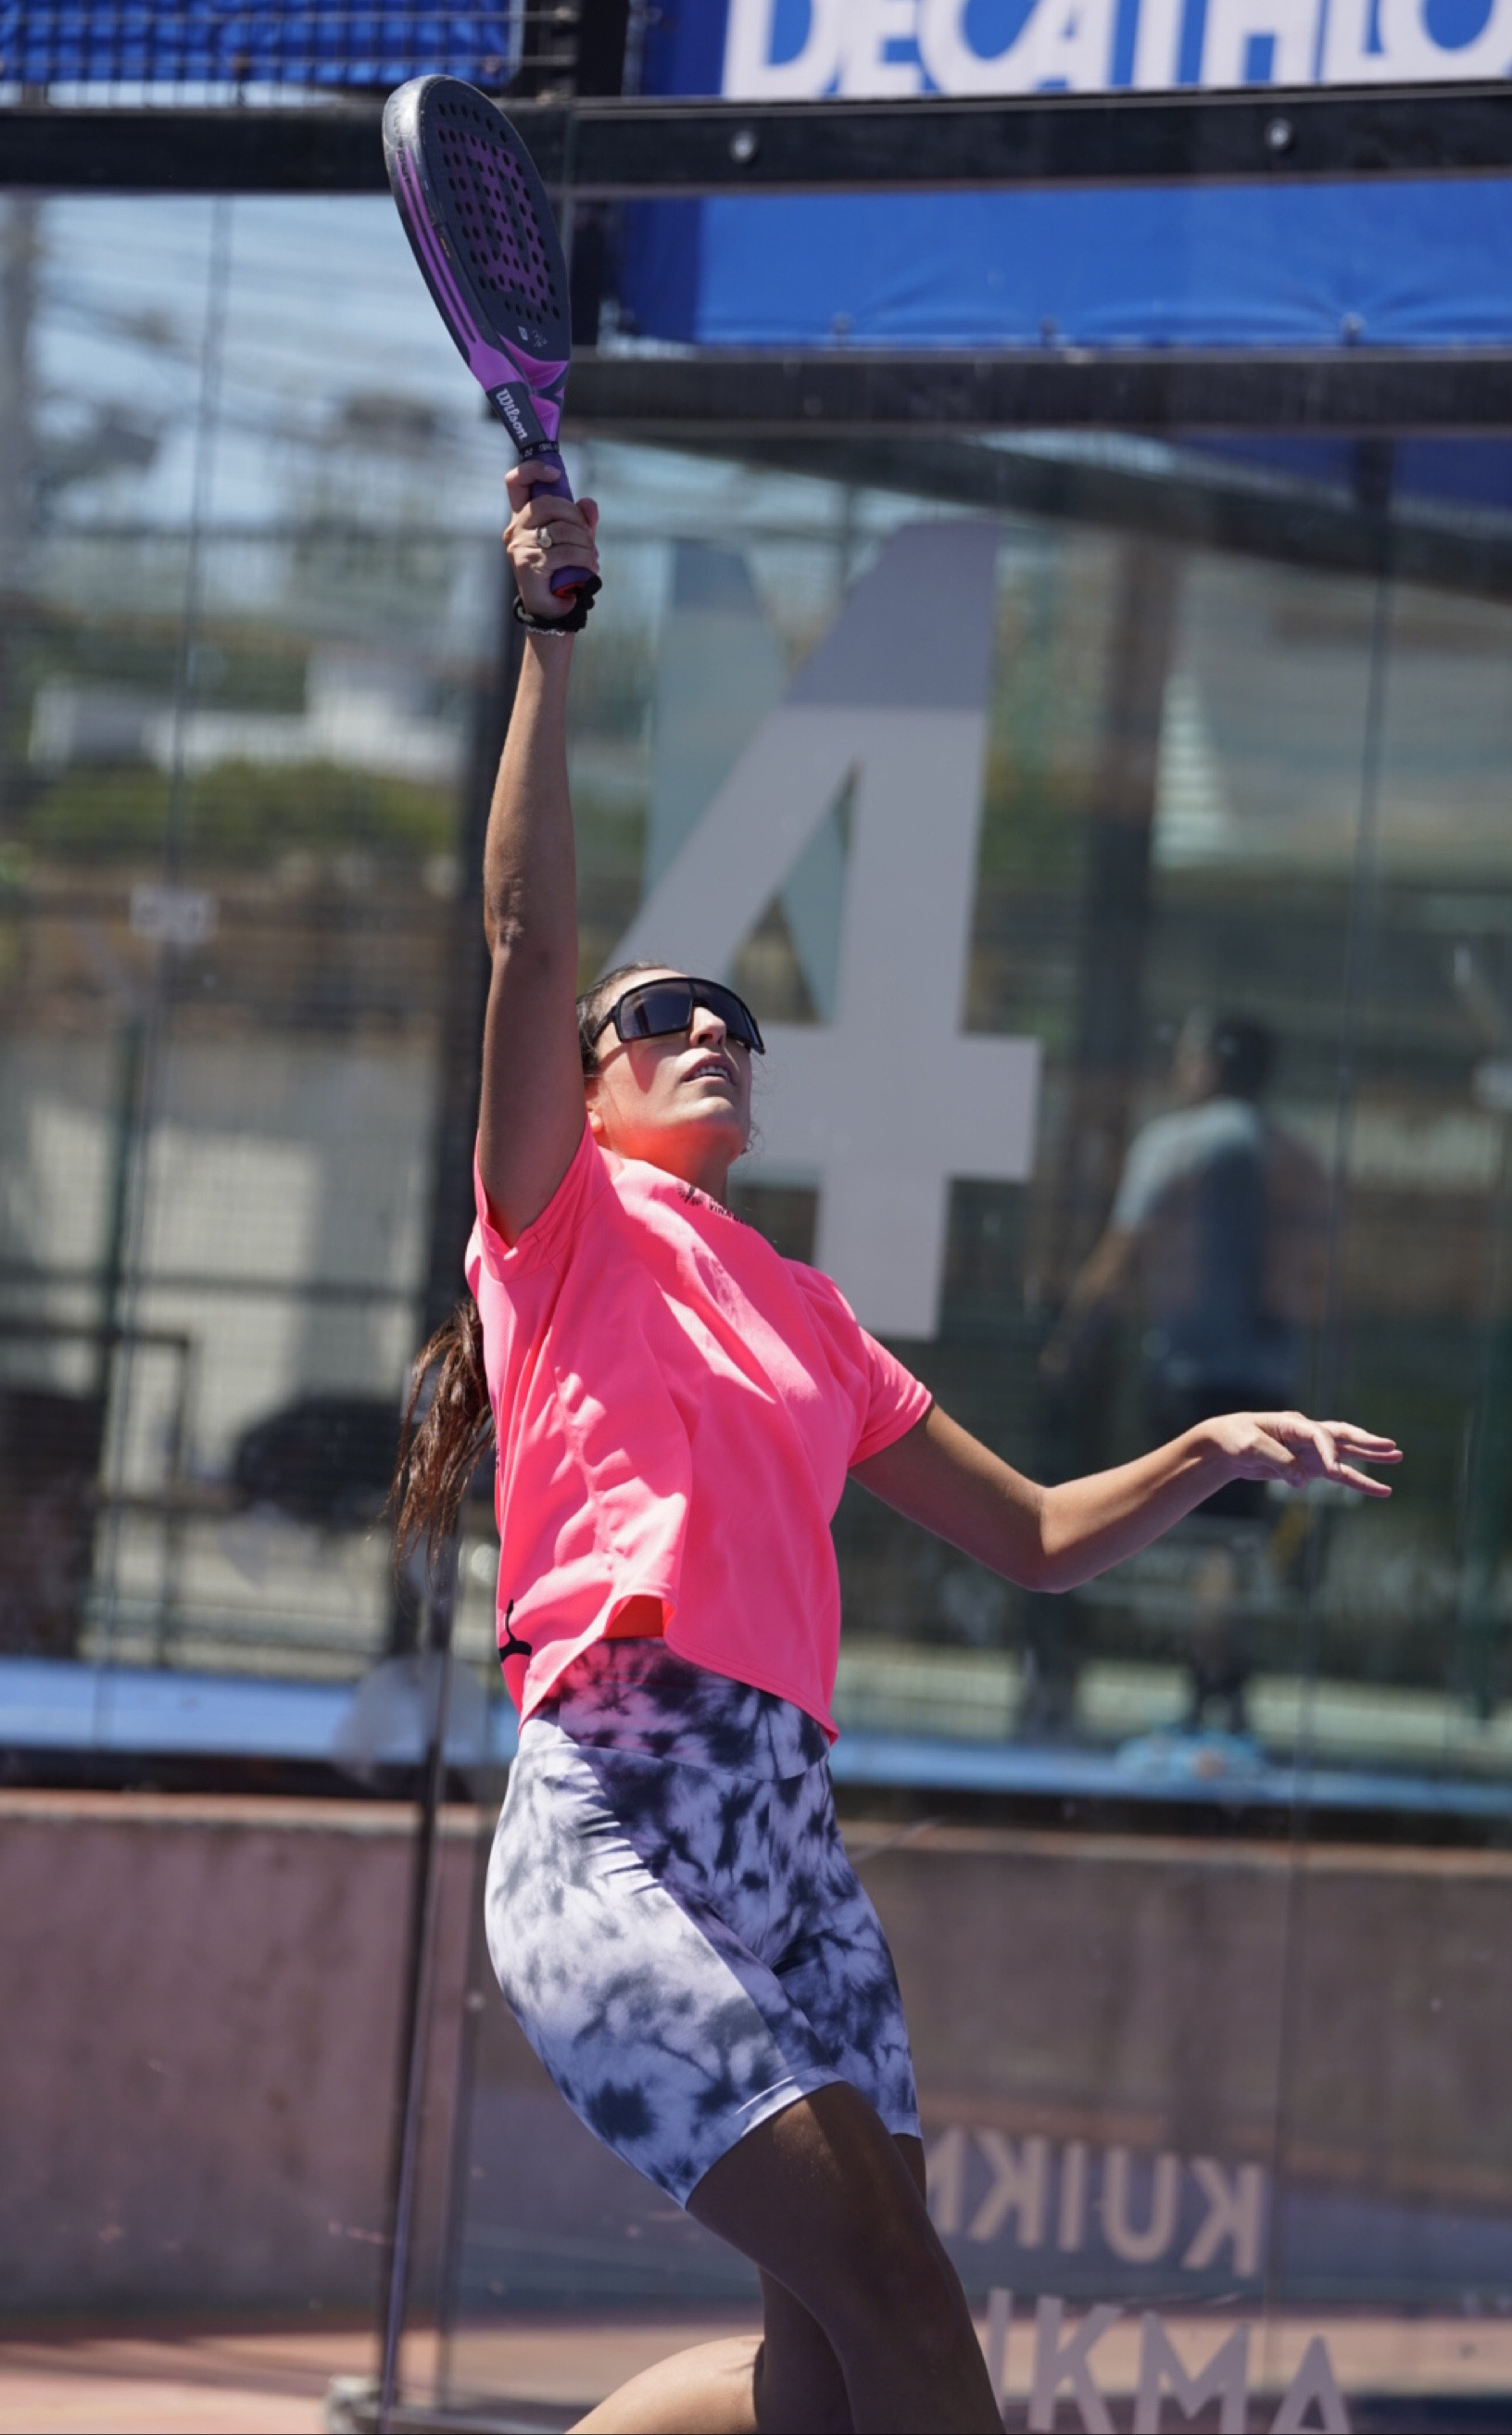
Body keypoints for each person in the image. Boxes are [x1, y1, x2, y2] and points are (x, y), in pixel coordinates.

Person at [390, 464, 1399, 2435]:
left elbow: (1034, 1536)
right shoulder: (557, 1223)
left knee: (835, 2366)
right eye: (662, 1015)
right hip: (620, 1808)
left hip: (787, 1835)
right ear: (584, 1079)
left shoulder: (813, 1313)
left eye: (738, 1021)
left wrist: (1205, 1444)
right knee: (910, 2312)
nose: (711, 1031)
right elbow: (524, 937)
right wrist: (551, 641)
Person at [1041, 1011, 1332, 1727]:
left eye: (1187, 1056)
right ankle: (1219, 1687)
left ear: (1210, 1064)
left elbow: (1118, 1254)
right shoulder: (1299, 1159)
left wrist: (1071, 1342)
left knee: (1202, 1542)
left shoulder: (1173, 1145)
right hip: (1269, 1382)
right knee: (1230, 1540)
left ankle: (1210, 1689)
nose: (1178, 1069)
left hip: (1189, 1380)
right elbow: (1316, 1281)